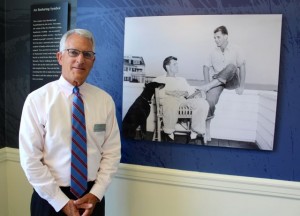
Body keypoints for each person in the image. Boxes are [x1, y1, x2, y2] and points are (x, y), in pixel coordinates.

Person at [19, 29, 121, 216]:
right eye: (73, 52)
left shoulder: (104, 101)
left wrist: (96, 194)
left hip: (92, 200)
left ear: (93, 60)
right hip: (49, 200)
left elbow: (112, 153)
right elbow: (30, 160)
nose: (80, 60)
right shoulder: (37, 100)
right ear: (60, 57)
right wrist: (61, 201)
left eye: (87, 54)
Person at [153, 56, 209, 140]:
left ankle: (196, 130)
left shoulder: (181, 80)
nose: (177, 66)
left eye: (177, 64)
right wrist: (170, 93)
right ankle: (169, 130)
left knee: (202, 103)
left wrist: (186, 92)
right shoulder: (159, 79)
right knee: (170, 101)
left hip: (182, 101)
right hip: (169, 101)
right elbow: (156, 93)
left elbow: (189, 91)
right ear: (167, 67)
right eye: (175, 64)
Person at [200, 25, 246, 117]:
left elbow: (242, 67)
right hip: (218, 83)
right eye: (214, 38)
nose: (216, 40)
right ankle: (207, 127)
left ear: (226, 36)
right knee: (210, 100)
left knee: (232, 66)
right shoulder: (212, 51)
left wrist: (241, 86)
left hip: (232, 81)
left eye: (218, 37)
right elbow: (205, 67)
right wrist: (206, 83)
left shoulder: (236, 49)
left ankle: (209, 86)